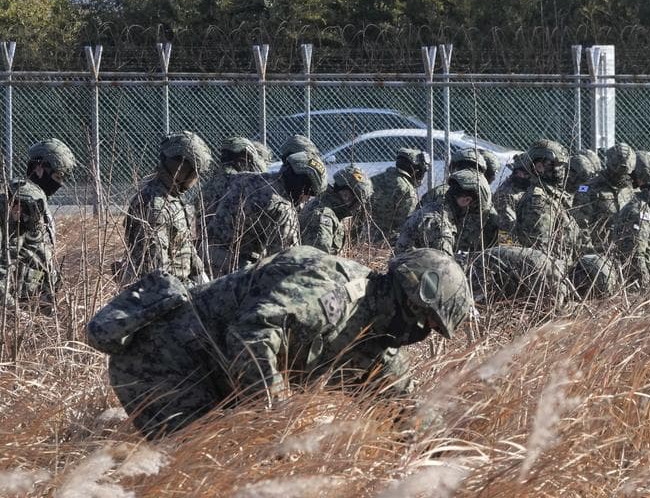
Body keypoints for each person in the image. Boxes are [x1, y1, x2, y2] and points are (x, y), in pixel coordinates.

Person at [86, 246, 473, 439]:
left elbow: (403, 408)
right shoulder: (333, 291)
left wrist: (448, 457)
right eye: (425, 321)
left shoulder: (375, 340)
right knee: (197, 465)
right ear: (408, 299)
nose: (420, 332)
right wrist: (276, 420)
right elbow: (252, 334)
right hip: (162, 361)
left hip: (213, 378)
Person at [206, 152, 326, 276]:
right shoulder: (283, 209)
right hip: (235, 274)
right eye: (309, 192)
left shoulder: (244, 178)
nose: (307, 199)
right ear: (300, 185)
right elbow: (287, 263)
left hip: (205, 255)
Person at [120, 131, 215, 286]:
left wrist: (202, 278)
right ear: (182, 171)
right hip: (167, 293)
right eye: (195, 174)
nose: (196, 180)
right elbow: (156, 272)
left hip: (181, 285)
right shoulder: (155, 206)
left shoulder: (171, 197)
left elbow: (184, 245)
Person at [2, 139, 77, 305]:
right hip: (16, 302)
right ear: (39, 168)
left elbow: (36, 252)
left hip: (31, 300)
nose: (59, 184)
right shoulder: (25, 199)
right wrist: (12, 307)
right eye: (57, 176)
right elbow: (6, 257)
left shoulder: (37, 199)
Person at [395, 169, 497, 256]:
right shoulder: (440, 226)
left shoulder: (435, 207)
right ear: (466, 200)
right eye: (475, 209)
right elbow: (444, 267)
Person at [512, 140, 582, 266]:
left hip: (564, 267)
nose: (561, 169)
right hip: (552, 271)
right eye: (555, 164)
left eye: (562, 165)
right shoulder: (538, 201)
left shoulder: (557, 196)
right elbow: (539, 253)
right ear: (538, 167)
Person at [573, 143, 638, 250]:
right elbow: (581, 225)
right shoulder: (590, 188)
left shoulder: (631, 190)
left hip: (625, 250)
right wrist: (590, 250)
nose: (621, 176)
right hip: (598, 250)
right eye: (618, 172)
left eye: (625, 173)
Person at [300, 165, 374, 255]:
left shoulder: (328, 206)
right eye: (358, 201)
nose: (358, 207)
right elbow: (317, 259)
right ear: (346, 195)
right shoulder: (323, 216)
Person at [365, 148, 429, 246]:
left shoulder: (375, 179)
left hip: (363, 239)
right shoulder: (407, 191)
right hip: (386, 244)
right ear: (415, 170)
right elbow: (406, 226)